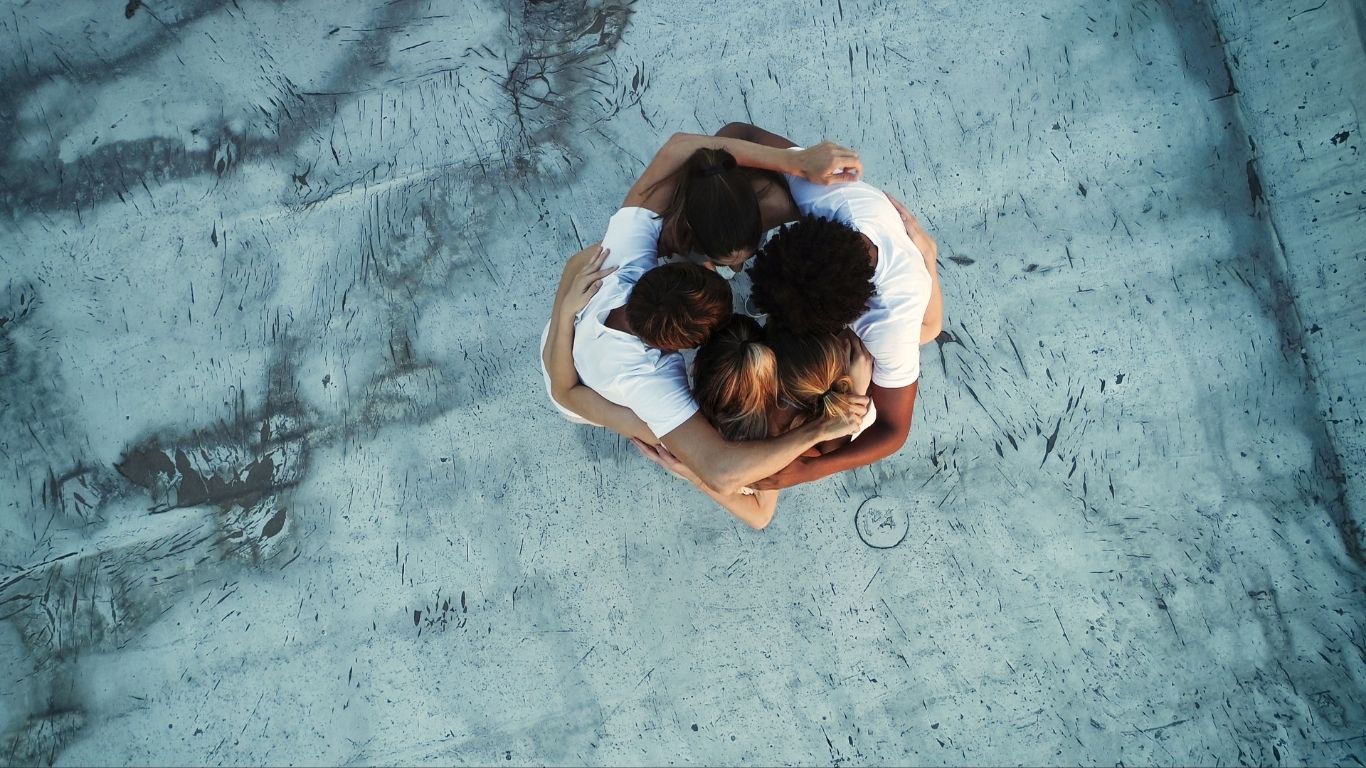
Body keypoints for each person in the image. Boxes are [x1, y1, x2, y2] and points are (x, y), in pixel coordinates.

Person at [723, 122, 944, 491]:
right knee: (761, 192)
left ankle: (930, 261)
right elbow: (739, 134)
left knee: (928, 331)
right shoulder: (824, 195)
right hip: (891, 252)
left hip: (914, 296)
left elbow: (894, 431)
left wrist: (811, 470)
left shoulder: (890, 323)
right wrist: (789, 160)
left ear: (848, 319)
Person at [630, 315, 875, 529]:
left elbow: (760, 516)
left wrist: (697, 473)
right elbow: (760, 516)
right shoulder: (768, 436)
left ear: (694, 369)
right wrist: (856, 394)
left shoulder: (677, 425)